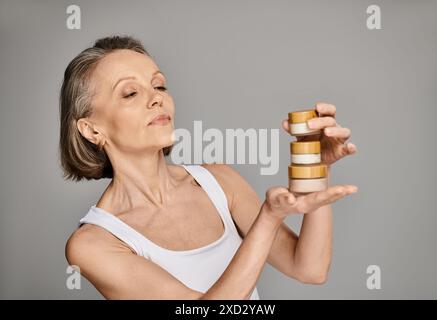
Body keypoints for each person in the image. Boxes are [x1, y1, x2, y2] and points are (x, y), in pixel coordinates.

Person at [60, 35, 358, 300]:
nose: (157, 98)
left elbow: (309, 268)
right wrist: (267, 218)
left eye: (159, 85)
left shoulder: (219, 181)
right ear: (91, 129)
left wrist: (316, 168)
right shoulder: (93, 245)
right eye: (130, 93)